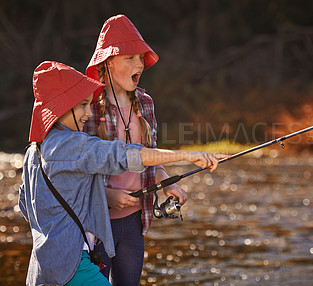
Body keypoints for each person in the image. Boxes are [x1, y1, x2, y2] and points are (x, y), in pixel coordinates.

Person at [19, 61, 227, 286]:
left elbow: (26, 204)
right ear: (61, 106)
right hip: (72, 267)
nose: (88, 113)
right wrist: (185, 155)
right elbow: (124, 154)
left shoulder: (34, 150)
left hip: (41, 267)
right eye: (82, 105)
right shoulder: (73, 145)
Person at [83, 14, 194, 285]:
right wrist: (107, 195)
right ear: (107, 62)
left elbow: (151, 156)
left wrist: (167, 184)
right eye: (129, 58)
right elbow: (78, 167)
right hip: (97, 224)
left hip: (135, 222)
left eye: (141, 58)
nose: (140, 64)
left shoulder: (145, 103)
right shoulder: (86, 107)